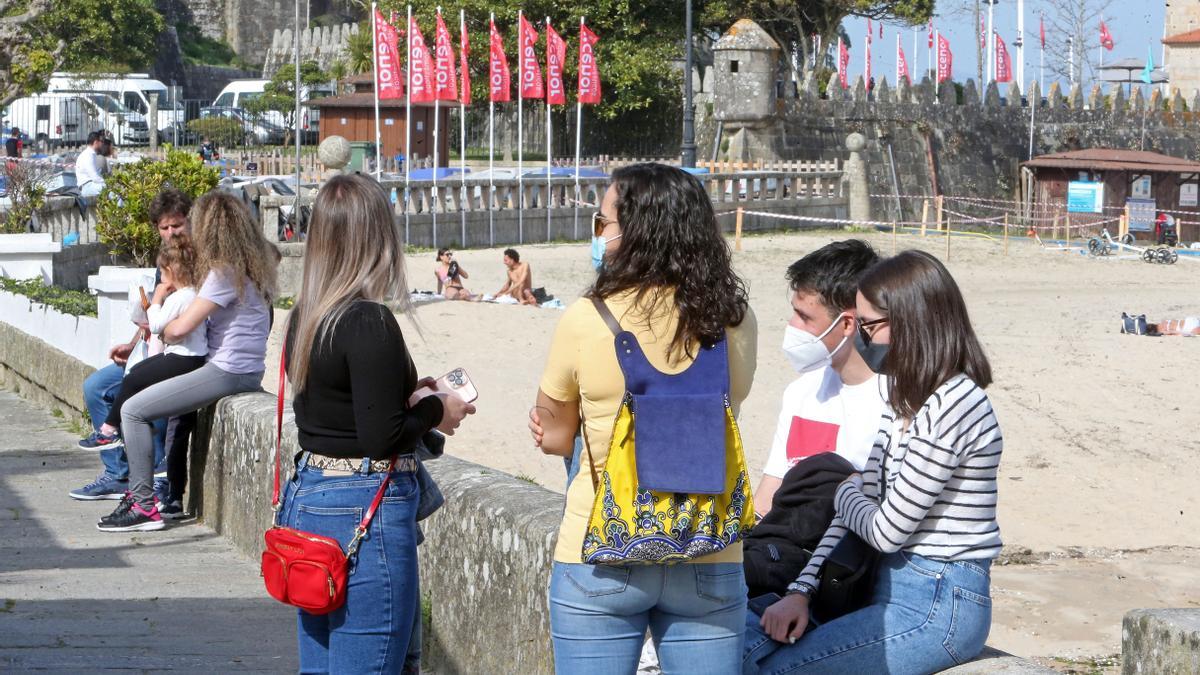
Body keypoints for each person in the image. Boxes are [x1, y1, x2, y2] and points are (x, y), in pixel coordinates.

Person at [532, 163, 758, 673]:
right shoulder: (734, 320)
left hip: (601, 551)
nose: (600, 235)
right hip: (708, 545)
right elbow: (733, 403)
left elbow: (557, 434)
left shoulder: (586, 318)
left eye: (603, 222)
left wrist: (551, 424)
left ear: (633, 232)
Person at [745, 250, 1003, 674]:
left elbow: (886, 531)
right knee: (747, 653)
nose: (861, 338)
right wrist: (801, 592)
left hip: (940, 603)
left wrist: (844, 491)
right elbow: (863, 502)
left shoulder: (953, 404)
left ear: (912, 321)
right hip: (891, 588)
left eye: (869, 326)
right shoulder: (908, 398)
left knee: (782, 670)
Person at [280, 173, 475, 671]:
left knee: (321, 664)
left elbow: (337, 407)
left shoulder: (307, 314)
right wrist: (439, 409)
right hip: (362, 509)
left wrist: (406, 395)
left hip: (310, 496)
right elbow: (380, 437)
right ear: (378, 238)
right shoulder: (368, 319)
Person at [97, 190, 279, 532]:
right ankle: (148, 498)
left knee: (132, 410)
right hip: (243, 369)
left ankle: (142, 504)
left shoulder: (223, 273)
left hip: (227, 371)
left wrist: (159, 322)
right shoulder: (249, 267)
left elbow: (180, 328)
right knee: (142, 399)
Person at [741, 240, 885, 600]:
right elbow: (767, 499)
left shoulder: (894, 403)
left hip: (845, 578)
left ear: (848, 323)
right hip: (783, 567)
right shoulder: (801, 393)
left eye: (805, 316)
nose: (791, 326)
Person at [71, 188, 193, 501]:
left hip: (179, 355)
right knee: (95, 387)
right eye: (163, 228)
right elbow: (155, 311)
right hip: (151, 349)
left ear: (190, 222)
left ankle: (151, 483)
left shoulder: (197, 261)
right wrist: (132, 343)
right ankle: (117, 474)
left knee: (148, 398)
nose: (169, 233)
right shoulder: (164, 261)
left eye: (176, 226)